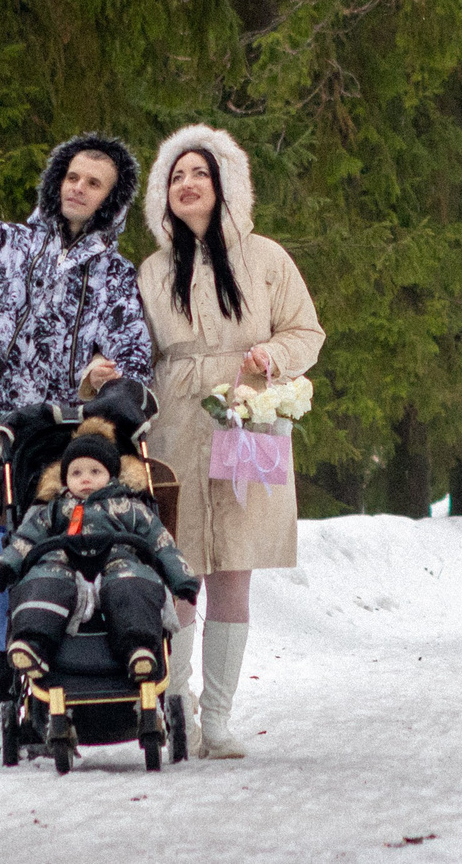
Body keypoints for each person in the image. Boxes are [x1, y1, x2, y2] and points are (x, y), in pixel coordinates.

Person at [0, 128, 154, 741]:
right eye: (72, 176)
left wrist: (109, 378)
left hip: (70, 449)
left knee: (72, 561)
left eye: (93, 182)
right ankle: (3, 705)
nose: (79, 188)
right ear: (57, 182)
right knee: (1, 564)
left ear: (111, 199)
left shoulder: (116, 277)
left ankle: (77, 688)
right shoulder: (10, 245)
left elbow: (133, 360)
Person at [137, 125, 325, 759]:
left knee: (236, 570)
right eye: (176, 176)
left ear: (224, 185)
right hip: (177, 423)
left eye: (199, 173)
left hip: (250, 414)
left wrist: (273, 354)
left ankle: (217, 720)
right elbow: (135, 350)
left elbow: (308, 333)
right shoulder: (153, 269)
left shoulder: (266, 258)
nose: (188, 184)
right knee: (179, 568)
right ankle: (177, 707)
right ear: (163, 196)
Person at [0, 419, 199, 683]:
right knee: (43, 580)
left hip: (117, 562)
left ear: (111, 475)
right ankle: (33, 644)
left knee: (134, 583)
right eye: (76, 473)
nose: (86, 478)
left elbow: (160, 541)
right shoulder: (54, 510)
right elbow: (26, 539)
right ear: (65, 478)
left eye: (95, 471)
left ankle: (139, 648)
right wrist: (8, 564)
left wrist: (181, 577)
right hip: (63, 563)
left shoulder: (129, 507)